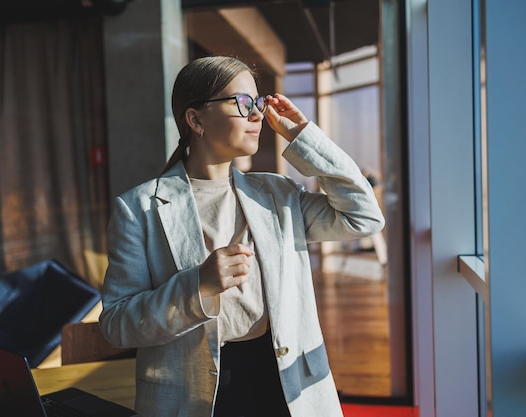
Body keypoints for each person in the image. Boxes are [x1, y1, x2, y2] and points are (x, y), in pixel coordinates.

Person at [98, 55, 385, 417]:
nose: (257, 115)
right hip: (193, 393)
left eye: (259, 102)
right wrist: (197, 286)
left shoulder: (277, 195)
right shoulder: (138, 208)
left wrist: (303, 136)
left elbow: (364, 216)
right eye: (243, 103)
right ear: (196, 119)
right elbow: (116, 324)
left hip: (283, 382)